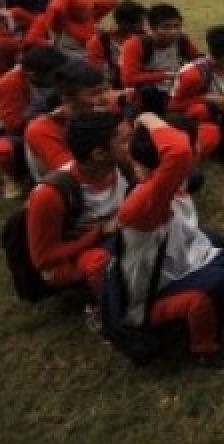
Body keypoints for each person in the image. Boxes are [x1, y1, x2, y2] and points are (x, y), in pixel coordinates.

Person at [116, 112, 224, 370]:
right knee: (213, 281)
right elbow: (177, 150)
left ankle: (211, 305)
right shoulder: (145, 201)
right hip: (159, 293)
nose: (200, 147)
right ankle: (206, 349)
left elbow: (184, 148)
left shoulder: (173, 182)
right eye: (195, 143)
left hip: (195, 258)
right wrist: (146, 117)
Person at [25, 110, 130, 298]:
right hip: (74, 258)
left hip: (113, 237)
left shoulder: (125, 166)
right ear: (99, 154)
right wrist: (98, 233)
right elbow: (44, 259)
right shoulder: (51, 194)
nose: (134, 145)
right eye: (125, 141)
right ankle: (111, 309)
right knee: (100, 263)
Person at [24, 61, 117, 183]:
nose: (106, 98)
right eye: (95, 93)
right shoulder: (41, 129)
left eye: (106, 89)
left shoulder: (104, 111)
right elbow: (75, 175)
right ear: (68, 99)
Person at [0, 46, 67, 195]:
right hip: (19, 132)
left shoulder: (61, 73)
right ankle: (16, 177)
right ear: (32, 74)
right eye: (52, 74)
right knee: (5, 149)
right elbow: (13, 126)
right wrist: (47, 113)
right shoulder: (10, 83)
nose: (57, 77)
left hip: (48, 120)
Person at [119, 3, 202, 115]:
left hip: (176, 89)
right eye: (166, 27)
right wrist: (167, 75)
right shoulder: (135, 44)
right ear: (153, 28)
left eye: (177, 26)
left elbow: (198, 60)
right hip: (148, 95)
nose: (173, 32)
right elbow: (128, 78)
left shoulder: (182, 40)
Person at [86, 0, 147, 89]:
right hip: (112, 88)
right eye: (139, 23)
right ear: (124, 23)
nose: (143, 26)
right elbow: (97, 73)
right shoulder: (99, 42)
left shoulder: (144, 38)